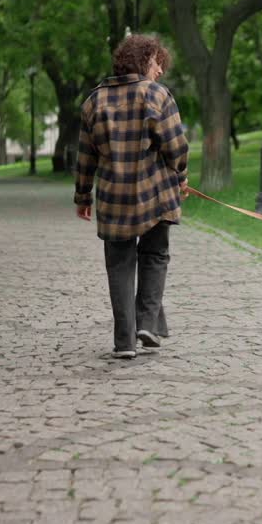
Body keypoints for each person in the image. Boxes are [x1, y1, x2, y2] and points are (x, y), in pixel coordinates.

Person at [75, 35, 189, 359]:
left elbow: (85, 156)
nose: (160, 71)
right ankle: (148, 324)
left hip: (113, 198)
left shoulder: (93, 101)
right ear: (142, 62)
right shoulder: (156, 96)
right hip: (154, 193)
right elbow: (176, 146)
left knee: (120, 265)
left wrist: (83, 195)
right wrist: (180, 175)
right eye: (156, 63)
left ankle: (124, 341)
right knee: (154, 255)